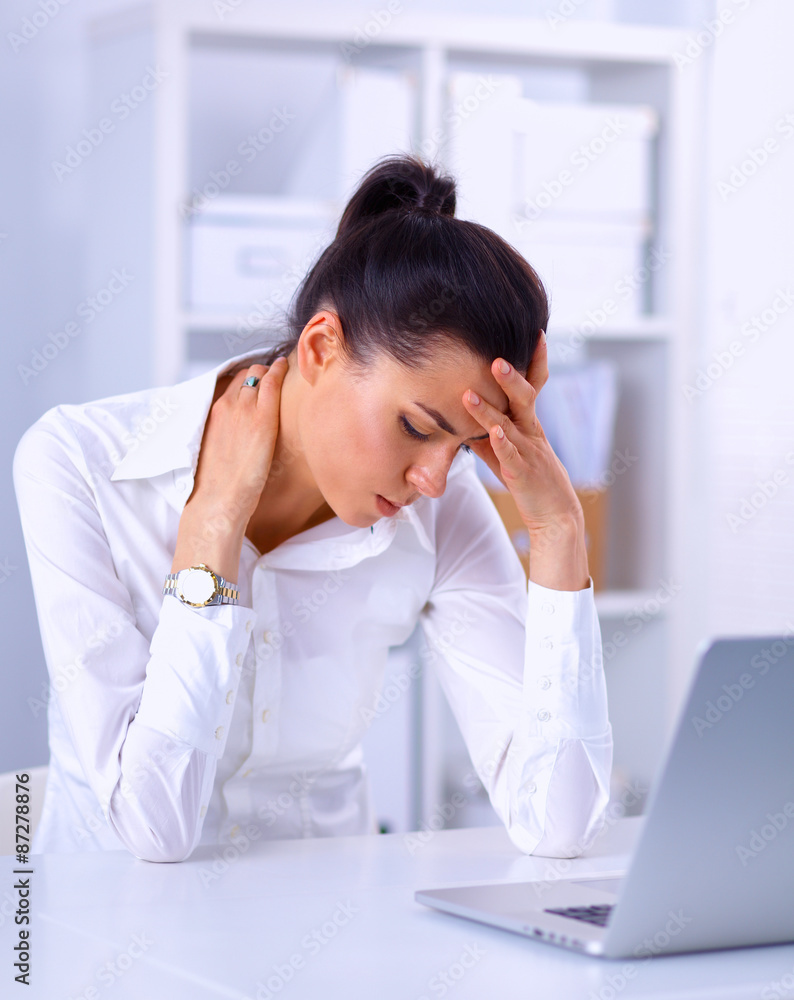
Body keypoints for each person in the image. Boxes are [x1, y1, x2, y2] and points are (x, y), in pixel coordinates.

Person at [13, 153, 612, 863]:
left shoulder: (443, 507)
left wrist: (556, 529)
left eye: (464, 445)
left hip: (333, 944)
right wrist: (212, 527)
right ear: (322, 347)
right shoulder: (79, 462)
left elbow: (559, 823)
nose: (431, 477)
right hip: (109, 947)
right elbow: (154, 829)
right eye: (417, 428)